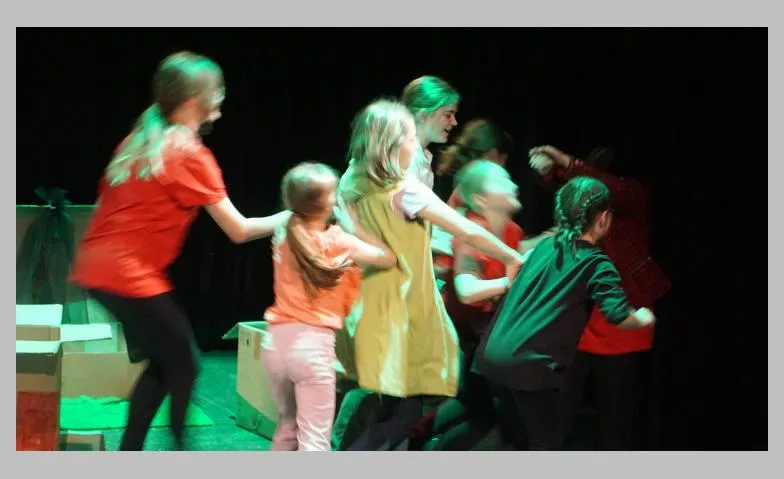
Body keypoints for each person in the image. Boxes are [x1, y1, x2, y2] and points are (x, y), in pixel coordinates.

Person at [69, 51, 291, 451]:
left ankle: (131, 451)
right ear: (193, 100)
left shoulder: (139, 141)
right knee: (185, 363)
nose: (221, 98)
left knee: (167, 362)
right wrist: (292, 216)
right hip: (127, 274)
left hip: (96, 269)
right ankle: (178, 450)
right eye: (216, 91)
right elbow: (238, 230)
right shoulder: (187, 152)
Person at [331, 99, 525, 451]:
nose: (416, 146)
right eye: (409, 138)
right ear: (392, 144)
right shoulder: (405, 191)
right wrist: (512, 256)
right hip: (401, 309)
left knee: (385, 400)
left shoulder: (352, 180)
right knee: (403, 408)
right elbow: (467, 231)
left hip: (366, 303)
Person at [474, 176, 657, 451]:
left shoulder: (545, 247)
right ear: (603, 219)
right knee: (547, 445)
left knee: (517, 440)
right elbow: (617, 314)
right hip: (528, 367)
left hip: (491, 356)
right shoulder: (596, 262)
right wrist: (643, 317)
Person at [529, 145, 671, 449]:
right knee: (557, 420)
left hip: (620, 324)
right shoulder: (584, 213)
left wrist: (565, 162)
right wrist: (549, 172)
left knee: (614, 426)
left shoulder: (633, 197)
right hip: (577, 323)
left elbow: (613, 191)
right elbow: (570, 197)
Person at [261, 162, 398, 452]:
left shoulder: (284, 232)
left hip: (275, 344)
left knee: (287, 431)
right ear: (327, 203)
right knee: (314, 441)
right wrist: (355, 226)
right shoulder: (340, 241)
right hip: (311, 348)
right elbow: (388, 258)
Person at [427, 160, 525, 450]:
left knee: (479, 410)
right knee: (488, 419)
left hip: (487, 338)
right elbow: (467, 290)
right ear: (481, 200)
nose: (514, 185)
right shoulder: (472, 233)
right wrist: (510, 283)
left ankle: (420, 435)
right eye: (502, 181)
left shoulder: (512, 231)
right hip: (466, 340)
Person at [400, 75, 460, 191]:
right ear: (423, 115)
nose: (454, 122)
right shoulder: (408, 159)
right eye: (448, 115)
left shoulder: (422, 156)